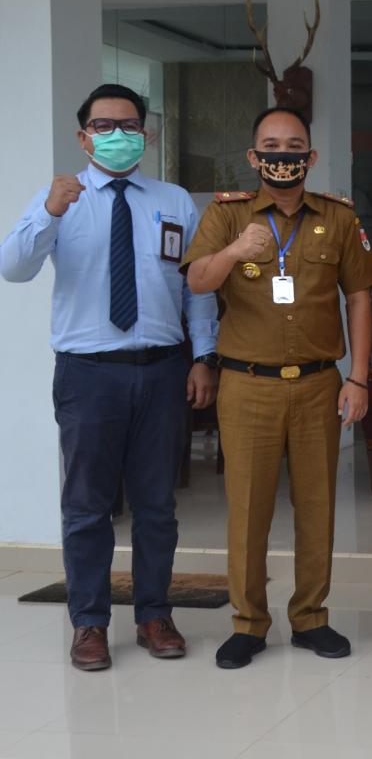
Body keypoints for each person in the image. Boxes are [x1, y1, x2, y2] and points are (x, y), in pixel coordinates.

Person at [0, 83, 218, 671]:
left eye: (129, 126)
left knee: (157, 506)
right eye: (103, 126)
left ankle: (154, 615)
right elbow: (12, 268)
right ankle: (89, 623)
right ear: (83, 136)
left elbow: (196, 286)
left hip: (162, 370)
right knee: (87, 507)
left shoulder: (173, 200)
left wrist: (204, 355)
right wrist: (49, 211)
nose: (117, 135)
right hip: (88, 375)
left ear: (147, 135)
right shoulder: (59, 198)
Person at [182, 107, 372, 669]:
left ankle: (311, 618)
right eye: (271, 145)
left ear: (310, 157)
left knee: (317, 506)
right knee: (248, 510)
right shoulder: (227, 215)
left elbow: (359, 297)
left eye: (294, 146)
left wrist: (358, 377)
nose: (282, 155)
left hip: (319, 384)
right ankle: (248, 624)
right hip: (247, 385)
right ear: (253, 156)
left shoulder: (338, 217)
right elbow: (197, 280)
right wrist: (233, 252)